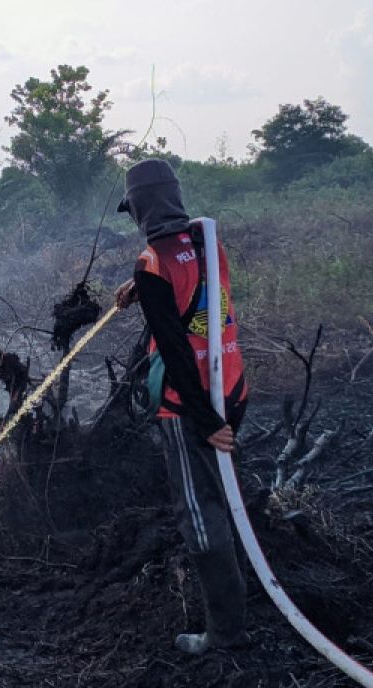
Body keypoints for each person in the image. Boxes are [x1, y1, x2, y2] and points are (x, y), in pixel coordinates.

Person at [114, 158, 250, 656]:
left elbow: (173, 348)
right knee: (222, 490)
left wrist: (204, 419)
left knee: (199, 512)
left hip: (189, 402)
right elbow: (193, 287)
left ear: (140, 208)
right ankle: (239, 600)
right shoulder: (208, 240)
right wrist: (142, 292)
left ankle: (225, 635)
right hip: (232, 387)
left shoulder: (152, 262)